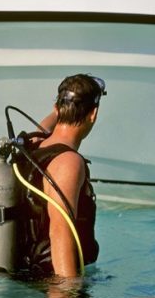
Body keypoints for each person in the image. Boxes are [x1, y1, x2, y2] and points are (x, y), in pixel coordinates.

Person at [13, 74, 105, 278]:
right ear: (94, 114)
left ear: (56, 108)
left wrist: (63, 103)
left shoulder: (34, 145)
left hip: (32, 277)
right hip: (55, 282)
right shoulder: (68, 162)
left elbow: (44, 127)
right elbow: (60, 231)